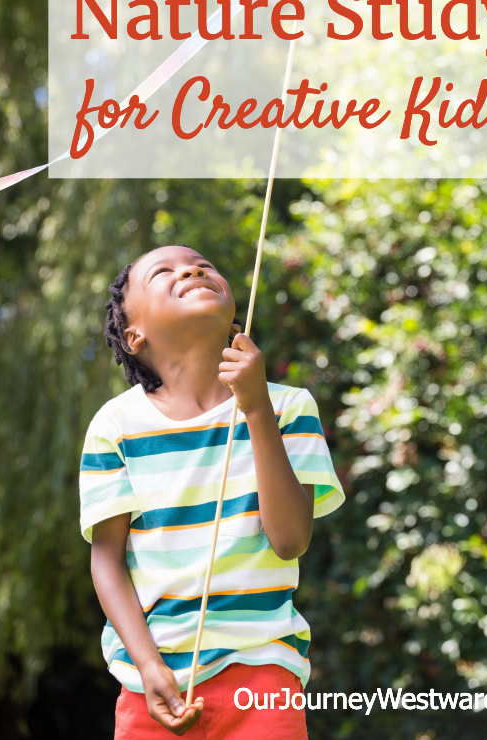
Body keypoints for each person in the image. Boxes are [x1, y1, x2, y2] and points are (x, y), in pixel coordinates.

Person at [79, 245, 345, 738]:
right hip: (152, 686)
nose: (194, 270)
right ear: (134, 335)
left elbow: (289, 540)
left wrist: (257, 409)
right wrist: (147, 666)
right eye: (165, 272)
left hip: (264, 677)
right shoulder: (115, 426)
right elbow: (106, 561)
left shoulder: (288, 408)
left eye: (204, 264)